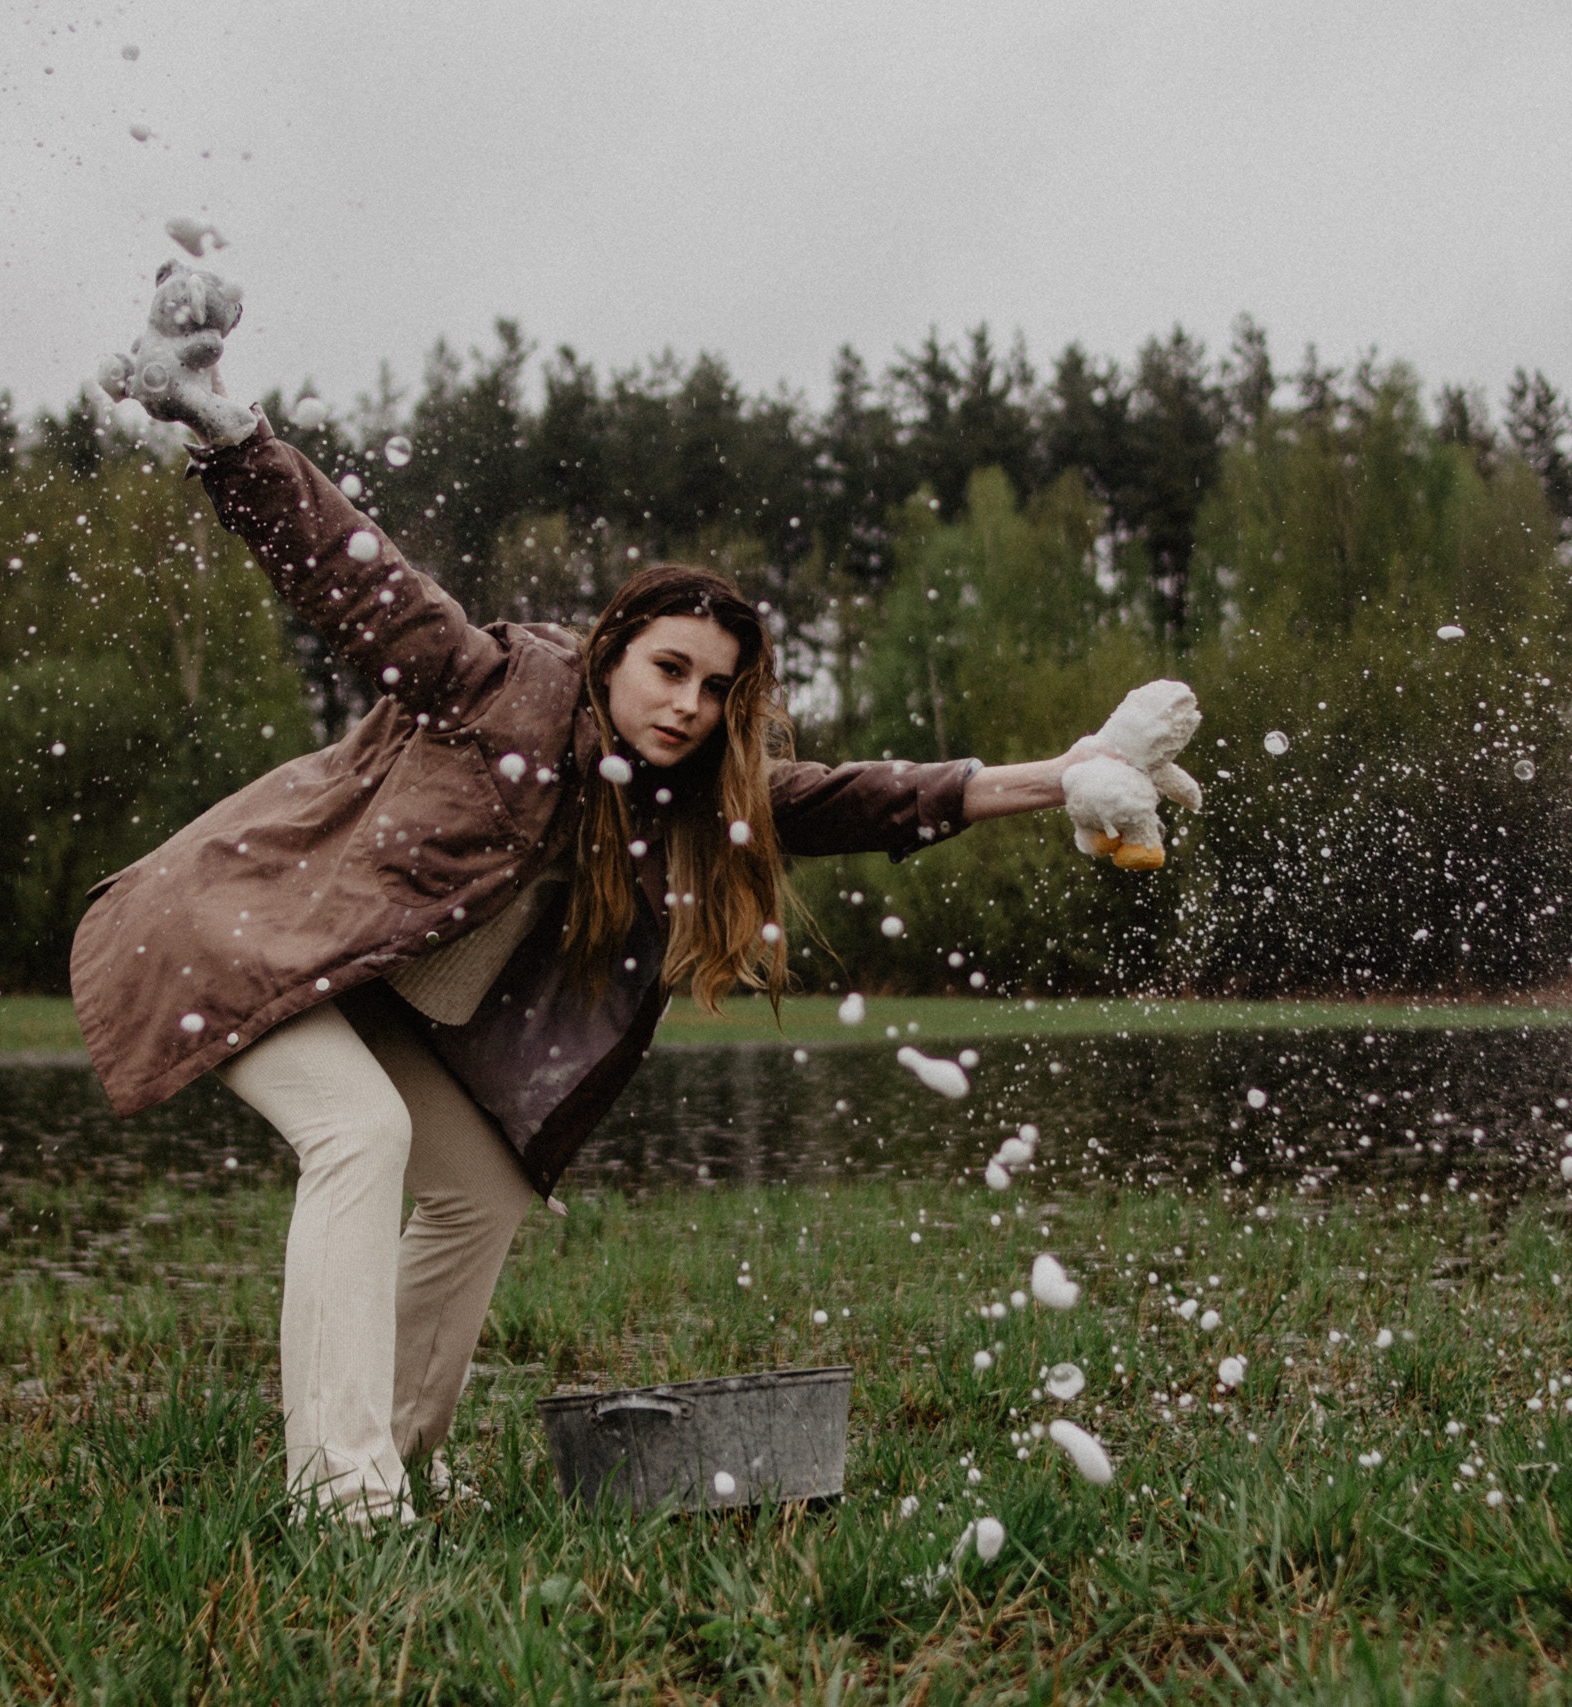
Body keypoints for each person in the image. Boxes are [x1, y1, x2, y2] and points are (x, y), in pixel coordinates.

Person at [72, 263, 1156, 1523]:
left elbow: (851, 795)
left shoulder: (681, 790)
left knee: (477, 1183)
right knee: (357, 1137)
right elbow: (349, 574)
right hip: (241, 933)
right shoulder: (487, 685)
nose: (689, 704)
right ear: (611, 653)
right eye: (669, 669)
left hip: (357, 985)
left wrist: (1055, 777)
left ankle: (403, 1455)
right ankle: (338, 1494)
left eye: (714, 688)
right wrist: (231, 439)